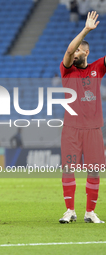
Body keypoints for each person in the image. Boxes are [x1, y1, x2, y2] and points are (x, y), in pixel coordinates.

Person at [59, 11, 105, 224]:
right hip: (72, 129)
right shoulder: (67, 70)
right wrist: (86, 29)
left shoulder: (97, 68)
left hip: (94, 129)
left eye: (79, 50)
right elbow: (68, 50)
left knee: (94, 171)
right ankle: (70, 210)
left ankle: (90, 212)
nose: (74, 52)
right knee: (69, 168)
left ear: (86, 52)